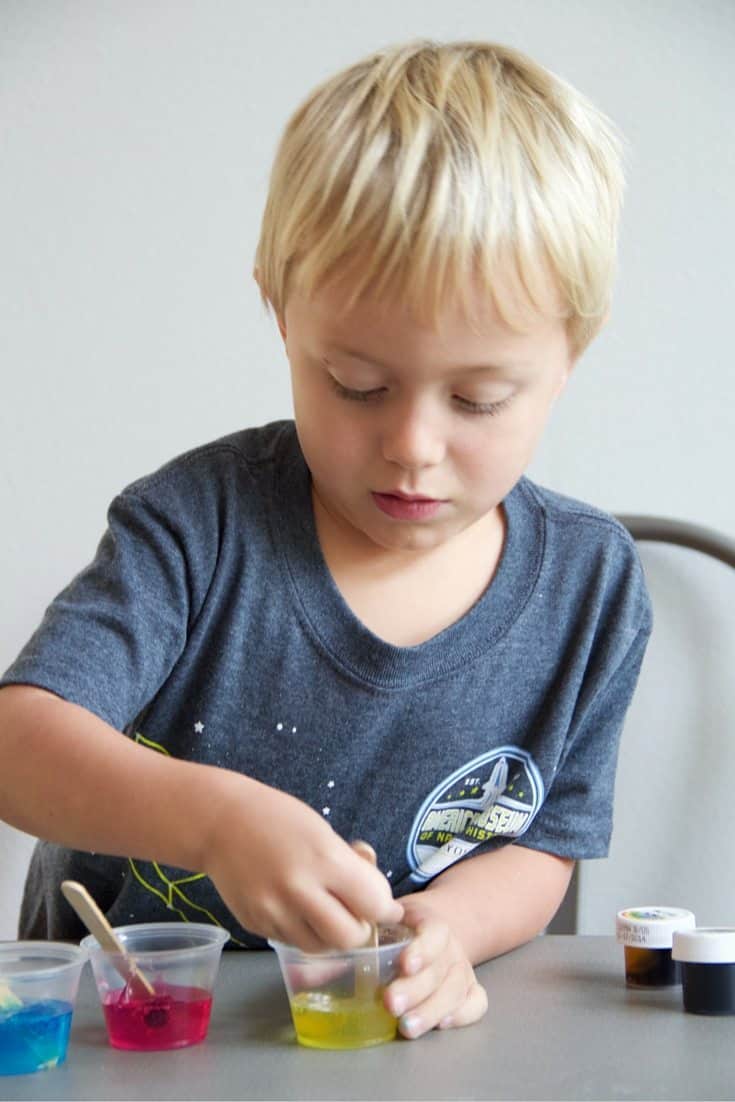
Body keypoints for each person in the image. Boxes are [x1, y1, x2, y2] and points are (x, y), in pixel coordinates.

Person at [0, 39, 651, 1039]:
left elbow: (545, 844)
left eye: (478, 397)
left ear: (570, 357)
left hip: (380, 1047)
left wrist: (451, 930)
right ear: (280, 313)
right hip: (132, 1036)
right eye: (358, 385)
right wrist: (214, 822)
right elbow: (19, 745)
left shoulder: (593, 587)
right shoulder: (197, 527)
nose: (413, 447)